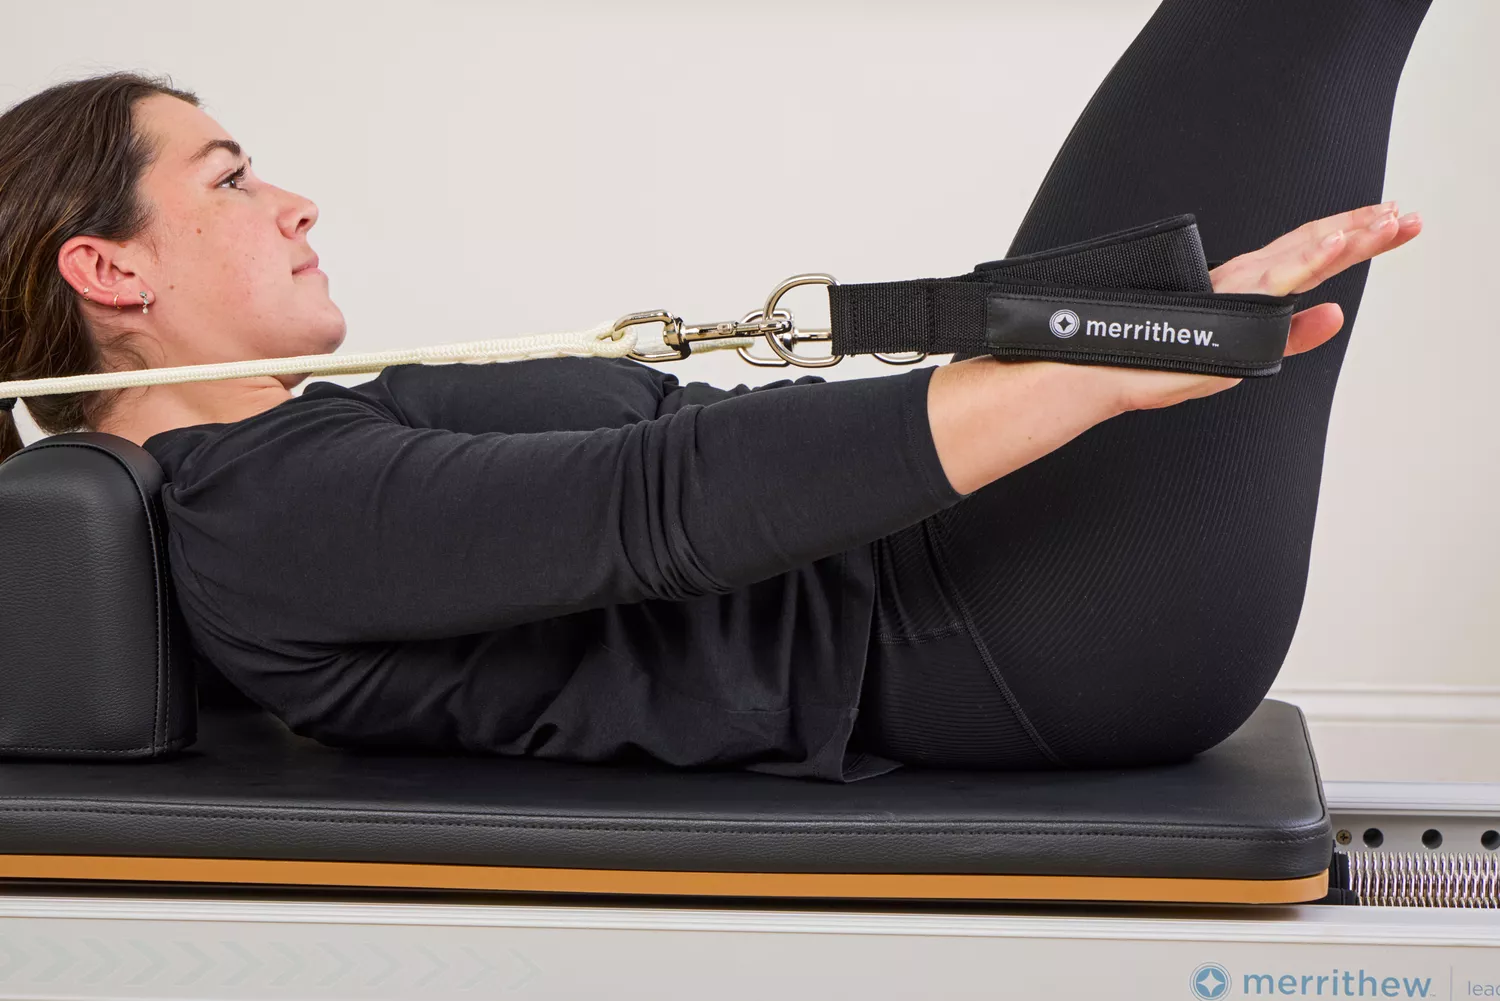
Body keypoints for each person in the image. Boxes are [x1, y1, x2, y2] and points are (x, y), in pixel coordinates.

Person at [0, 0, 1433, 781]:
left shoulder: (305, 446)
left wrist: (1081, 343)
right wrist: (1113, 362)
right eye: (233, 178)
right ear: (107, 273)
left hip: (991, 584)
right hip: (1031, 636)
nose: (296, 201)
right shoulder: (263, 515)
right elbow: (667, 505)